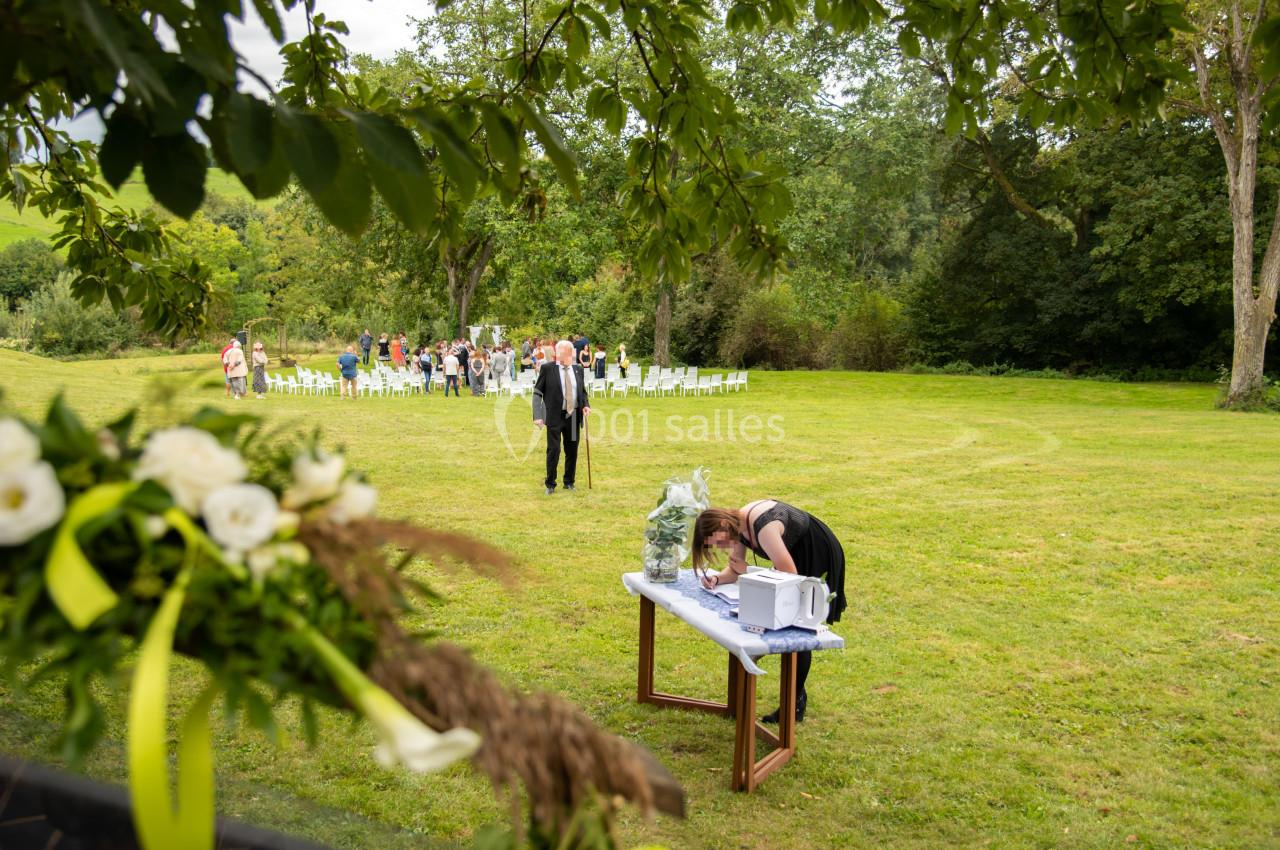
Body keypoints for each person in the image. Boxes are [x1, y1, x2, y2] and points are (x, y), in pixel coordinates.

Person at [692, 500, 848, 724]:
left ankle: (794, 703)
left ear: (724, 524)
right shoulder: (739, 527)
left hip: (815, 550)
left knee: (799, 623)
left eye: (719, 541)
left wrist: (750, 572)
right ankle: (795, 697)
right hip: (791, 557)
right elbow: (736, 569)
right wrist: (717, 579)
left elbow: (788, 574)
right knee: (783, 618)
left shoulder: (763, 528)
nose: (722, 547)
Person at [533, 340, 591, 495]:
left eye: (571, 353)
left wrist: (586, 404)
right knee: (554, 450)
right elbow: (537, 392)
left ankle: (569, 482)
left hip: (573, 416)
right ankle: (550, 484)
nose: (571, 356)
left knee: (572, 450)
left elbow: (582, 391)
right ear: (558, 354)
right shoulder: (547, 369)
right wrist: (537, 415)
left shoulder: (578, 369)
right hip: (554, 416)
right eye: (568, 353)